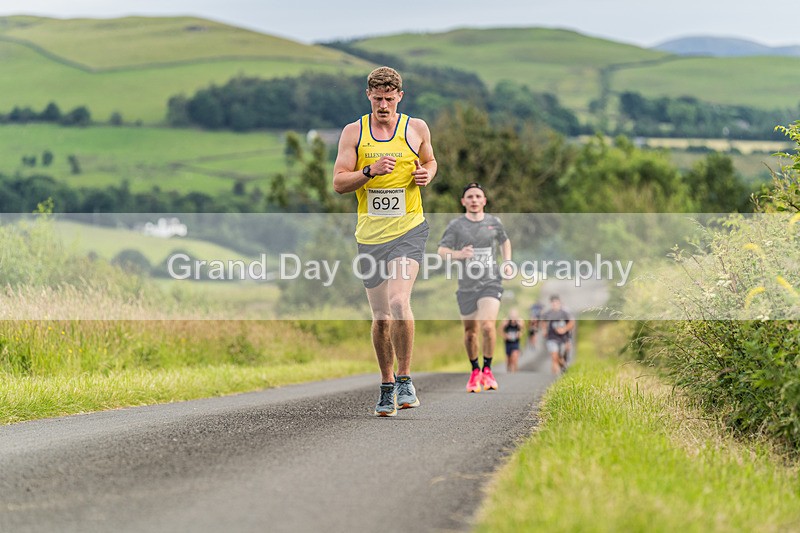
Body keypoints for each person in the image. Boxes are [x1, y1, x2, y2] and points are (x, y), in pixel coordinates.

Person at [333, 66, 437, 417]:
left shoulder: (416, 128)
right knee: (380, 317)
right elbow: (338, 182)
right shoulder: (354, 133)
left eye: (389, 99)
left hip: (409, 229)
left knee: (397, 301)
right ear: (368, 96)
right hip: (370, 236)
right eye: (377, 99)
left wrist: (427, 174)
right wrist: (368, 172)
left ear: (400, 97)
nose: (383, 105)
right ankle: (386, 384)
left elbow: (431, 160)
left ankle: (405, 378)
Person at [437, 182, 512, 393]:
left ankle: (487, 370)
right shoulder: (456, 226)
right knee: (471, 333)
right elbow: (442, 251)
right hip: (466, 285)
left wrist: (507, 262)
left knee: (488, 326)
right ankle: (474, 371)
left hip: (491, 281)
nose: (474, 200)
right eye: (470, 197)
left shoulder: (494, 223)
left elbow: (505, 242)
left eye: (478, 196)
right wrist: (458, 255)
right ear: (463, 202)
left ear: (484, 201)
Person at [540, 294, 574, 375]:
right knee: (554, 356)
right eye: (553, 303)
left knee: (562, 355)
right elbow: (543, 321)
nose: (555, 304)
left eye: (556, 303)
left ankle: (563, 365)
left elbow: (572, 322)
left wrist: (564, 329)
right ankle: (554, 377)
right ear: (551, 304)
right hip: (552, 337)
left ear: (559, 303)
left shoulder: (565, 313)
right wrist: (544, 330)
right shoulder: (548, 313)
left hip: (564, 337)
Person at [500, 308, 524, 373]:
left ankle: (515, 372)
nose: (513, 316)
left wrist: (519, 334)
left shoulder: (520, 321)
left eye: (515, 314)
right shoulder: (505, 321)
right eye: (512, 314)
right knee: (508, 360)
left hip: (516, 342)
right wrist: (505, 336)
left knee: (515, 357)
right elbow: (500, 330)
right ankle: (509, 370)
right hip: (508, 342)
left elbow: (522, 330)